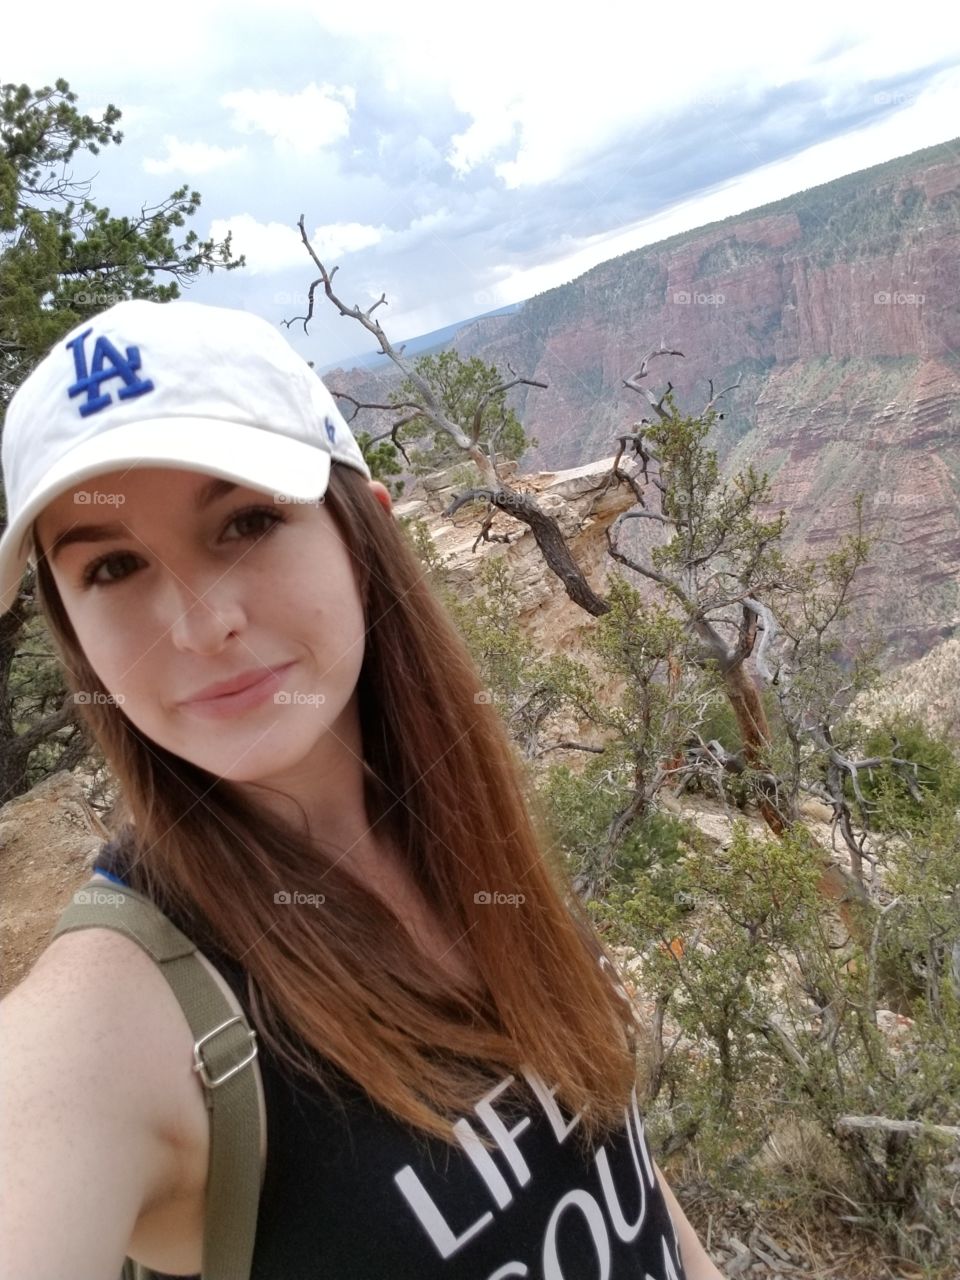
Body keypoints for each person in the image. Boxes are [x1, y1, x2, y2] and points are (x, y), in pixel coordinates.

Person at [0, 298, 722, 1279]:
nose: (201, 623)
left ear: (366, 536)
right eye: (113, 566)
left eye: (246, 521)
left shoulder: (468, 833)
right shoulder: (113, 1030)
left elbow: (618, 1161)